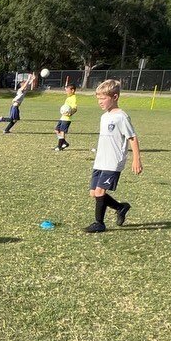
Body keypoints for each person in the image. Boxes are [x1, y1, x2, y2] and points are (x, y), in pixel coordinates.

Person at [85, 79, 142, 233]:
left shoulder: (121, 117)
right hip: (100, 160)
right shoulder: (104, 116)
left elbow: (132, 138)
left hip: (112, 161)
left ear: (115, 97)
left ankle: (99, 223)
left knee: (100, 192)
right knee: (94, 193)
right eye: (98, 99)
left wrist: (136, 159)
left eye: (103, 98)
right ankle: (120, 207)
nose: (100, 102)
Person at [54, 84, 78, 151]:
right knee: (56, 130)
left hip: (67, 119)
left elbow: (75, 108)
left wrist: (70, 113)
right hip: (62, 117)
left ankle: (59, 146)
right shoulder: (68, 98)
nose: (66, 92)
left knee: (62, 132)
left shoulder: (73, 98)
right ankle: (64, 142)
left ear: (72, 90)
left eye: (68, 91)